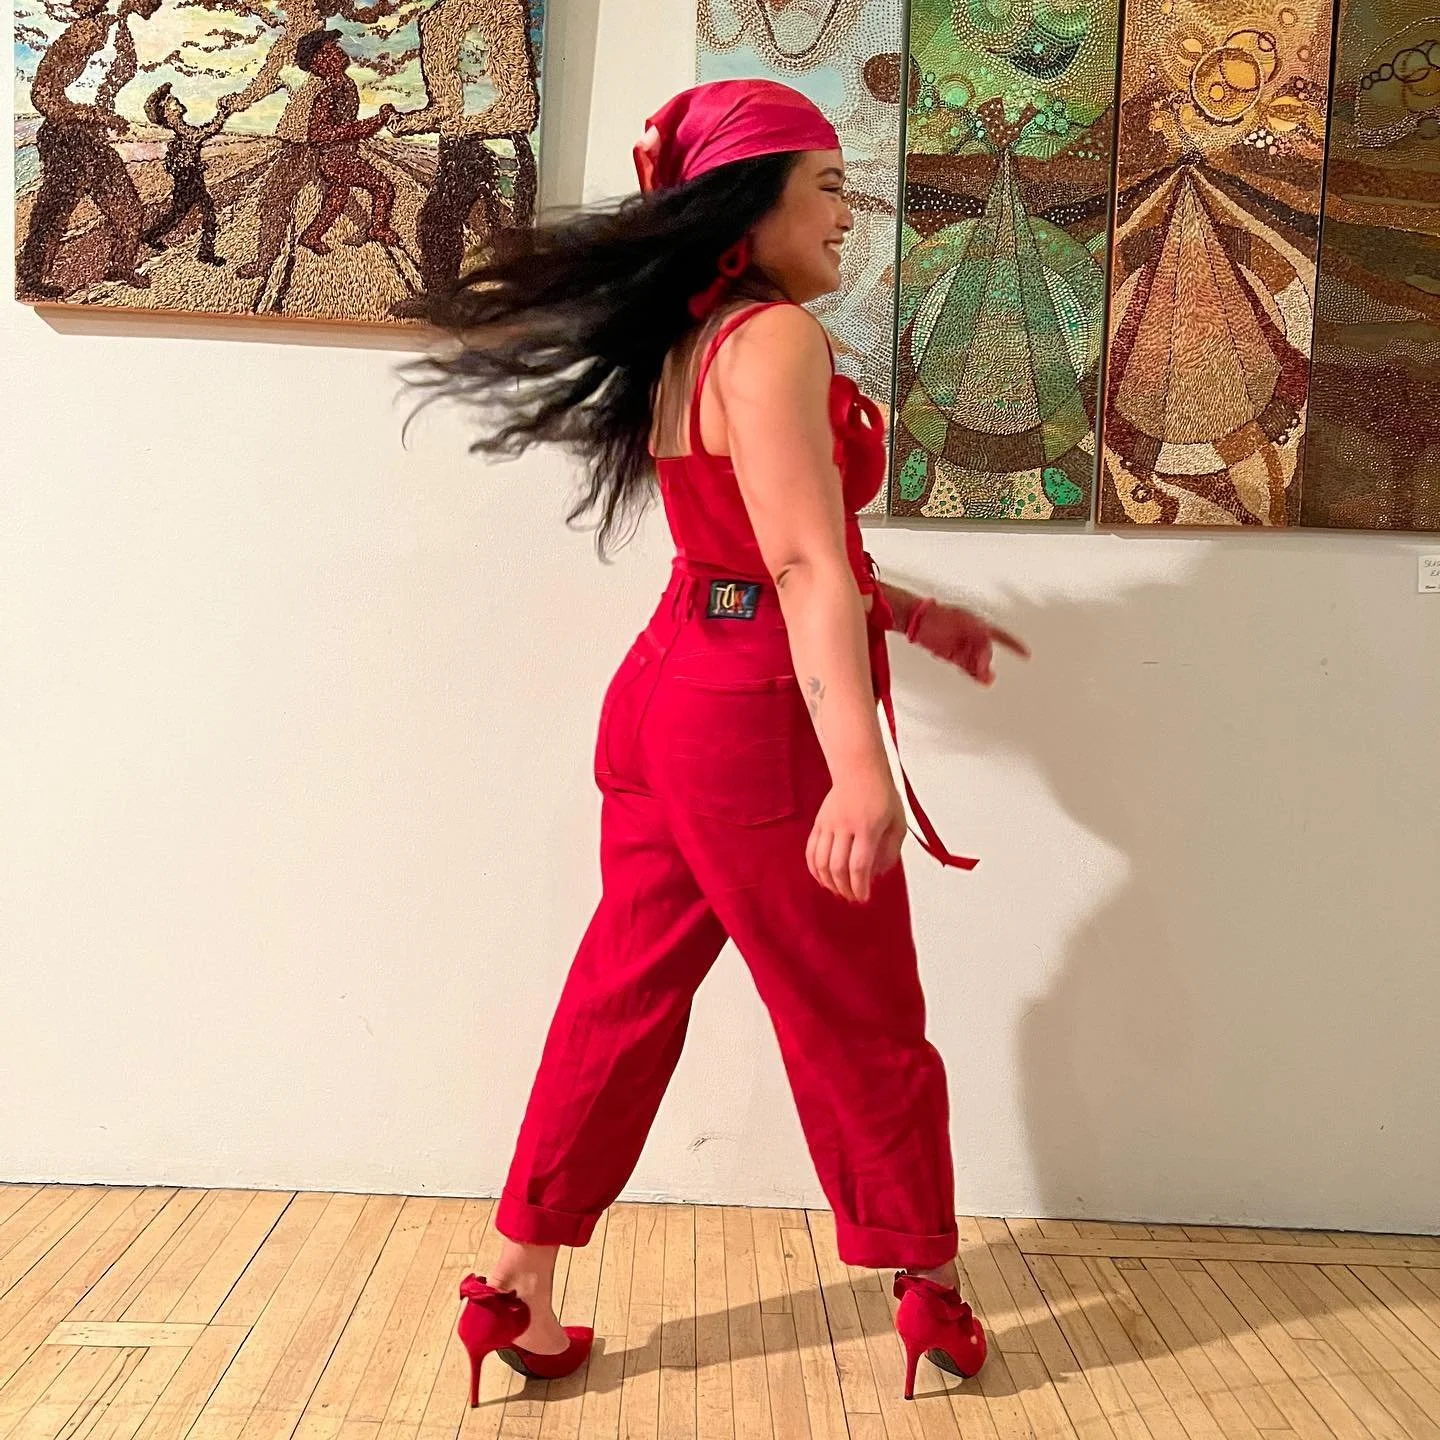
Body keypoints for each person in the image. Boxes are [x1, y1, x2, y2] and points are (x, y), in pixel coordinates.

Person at [415, 79, 1028, 1404]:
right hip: (755, 719)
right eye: (829, 188)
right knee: (859, 1011)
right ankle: (928, 1287)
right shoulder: (777, 341)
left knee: (621, 992)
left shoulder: (691, 340)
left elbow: (743, 546)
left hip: (667, 689)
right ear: (749, 210)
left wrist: (910, 614)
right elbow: (799, 562)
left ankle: (514, 1286)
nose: (850, 215)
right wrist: (858, 769)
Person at [387, 0, 539, 315]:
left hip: (500, 143)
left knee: (506, 228)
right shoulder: (435, 20)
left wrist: (464, 126)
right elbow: (447, 105)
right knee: (437, 220)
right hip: (457, 146)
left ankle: (518, 307)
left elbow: (518, 99)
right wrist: (408, 123)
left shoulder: (501, 10)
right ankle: (440, 299)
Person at [16, 0, 162, 298]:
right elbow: (42, 94)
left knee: (128, 207)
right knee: (53, 213)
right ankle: (30, 281)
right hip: (67, 137)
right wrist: (91, 115)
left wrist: (104, 116)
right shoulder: (83, 32)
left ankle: (120, 266)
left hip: (92, 138)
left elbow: (107, 84)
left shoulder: (116, 27)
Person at [291, 29, 400, 256]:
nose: (338, 51)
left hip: (343, 157)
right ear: (319, 63)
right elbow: (318, 134)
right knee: (383, 187)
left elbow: (347, 127)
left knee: (336, 199)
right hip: (336, 160)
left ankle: (311, 236)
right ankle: (378, 228)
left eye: (335, 46)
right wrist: (374, 122)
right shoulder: (328, 95)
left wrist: (374, 122)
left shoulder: (346, 86)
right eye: (329, 50)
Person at [140, 83, 228, 265]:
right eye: (171, 101)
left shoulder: (183, 130)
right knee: (199, 212)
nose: (176, 101)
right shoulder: (185, 132)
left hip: (190, 179)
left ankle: (151, 236)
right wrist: (223, 113)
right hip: (189, 180)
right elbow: (207, 131)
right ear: (167, 113)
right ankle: (205, 252)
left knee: (182, 212)